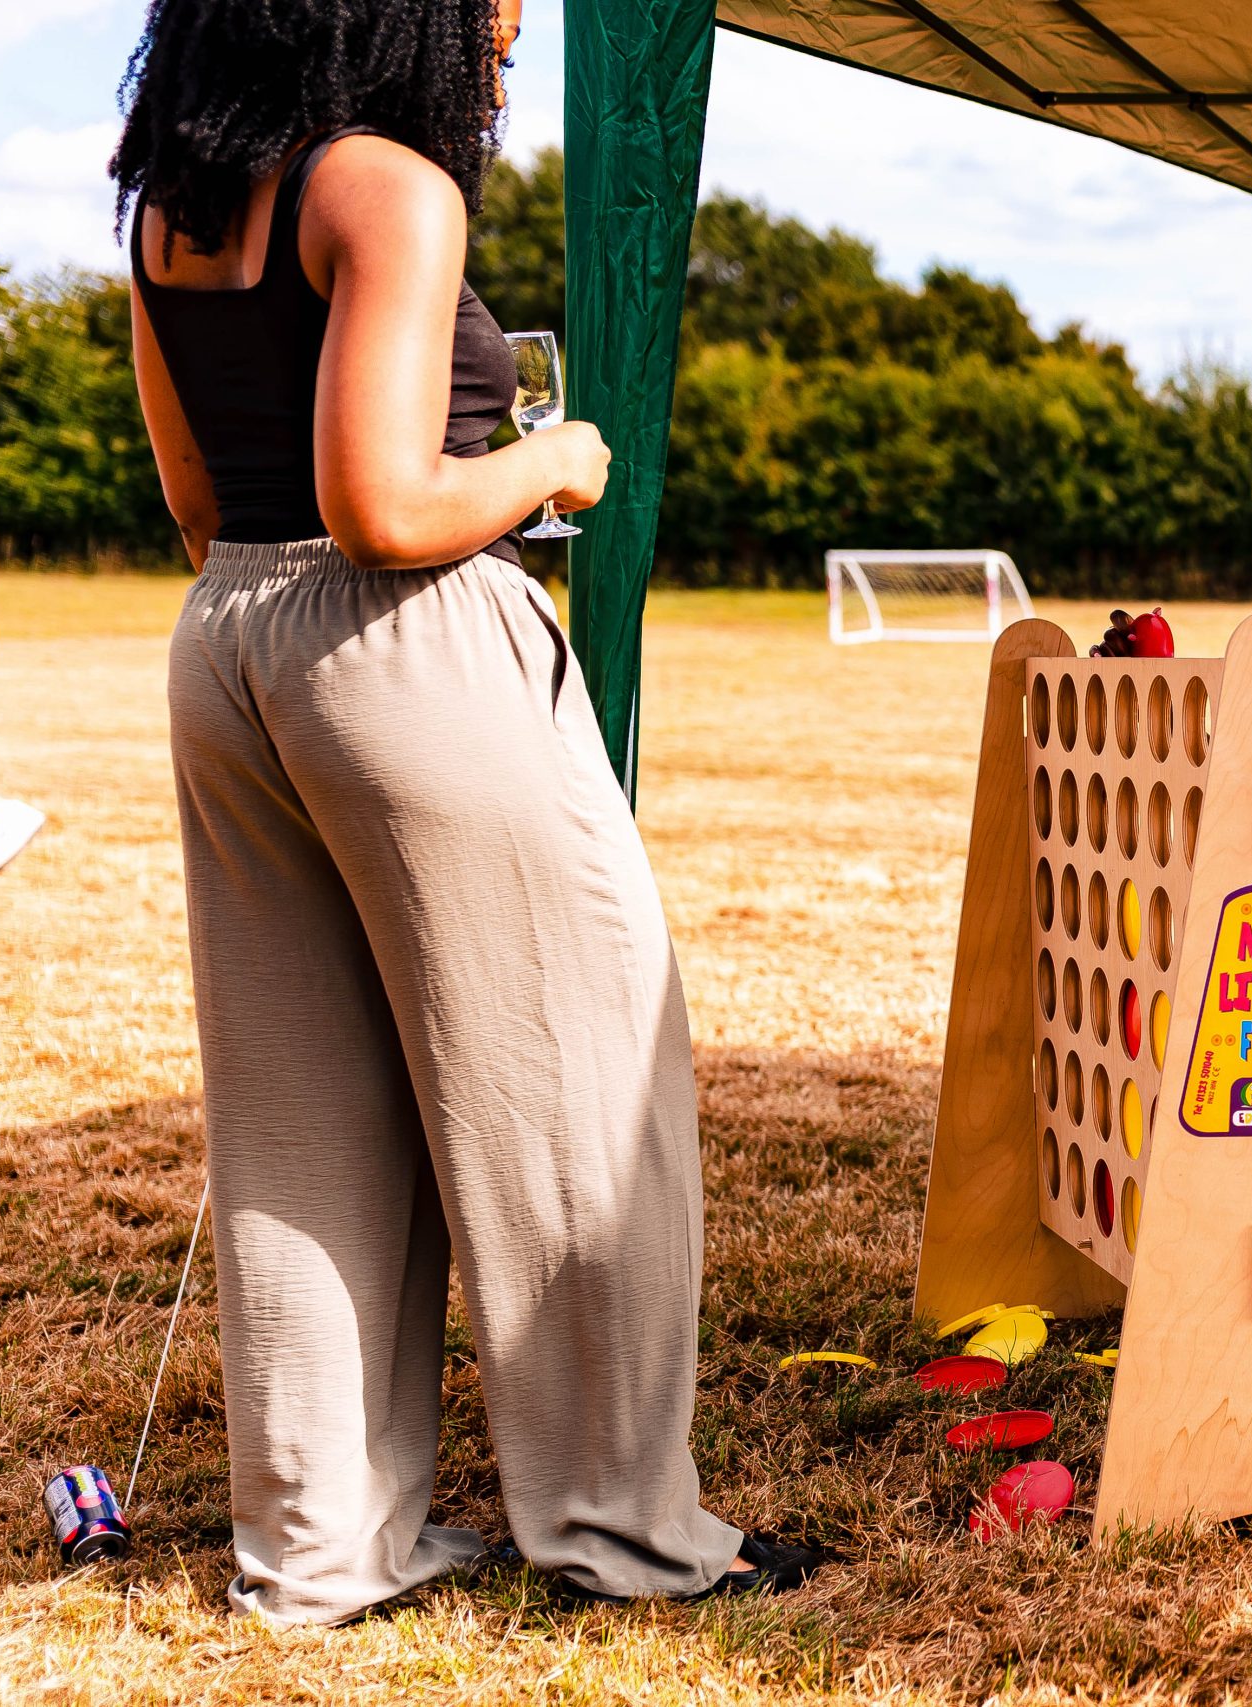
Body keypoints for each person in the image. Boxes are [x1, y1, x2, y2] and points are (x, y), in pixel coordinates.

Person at [114, 0, 810, 1624]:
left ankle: (320, 1549)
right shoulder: (386, 187)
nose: (509, 27)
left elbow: (200, 498)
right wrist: (553, 459)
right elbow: (385, 504)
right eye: (490, 2)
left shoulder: (175, 205)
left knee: (302, 1123)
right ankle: (625, 1536)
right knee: (584, 1076)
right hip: (399, 646)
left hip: (225, 646)